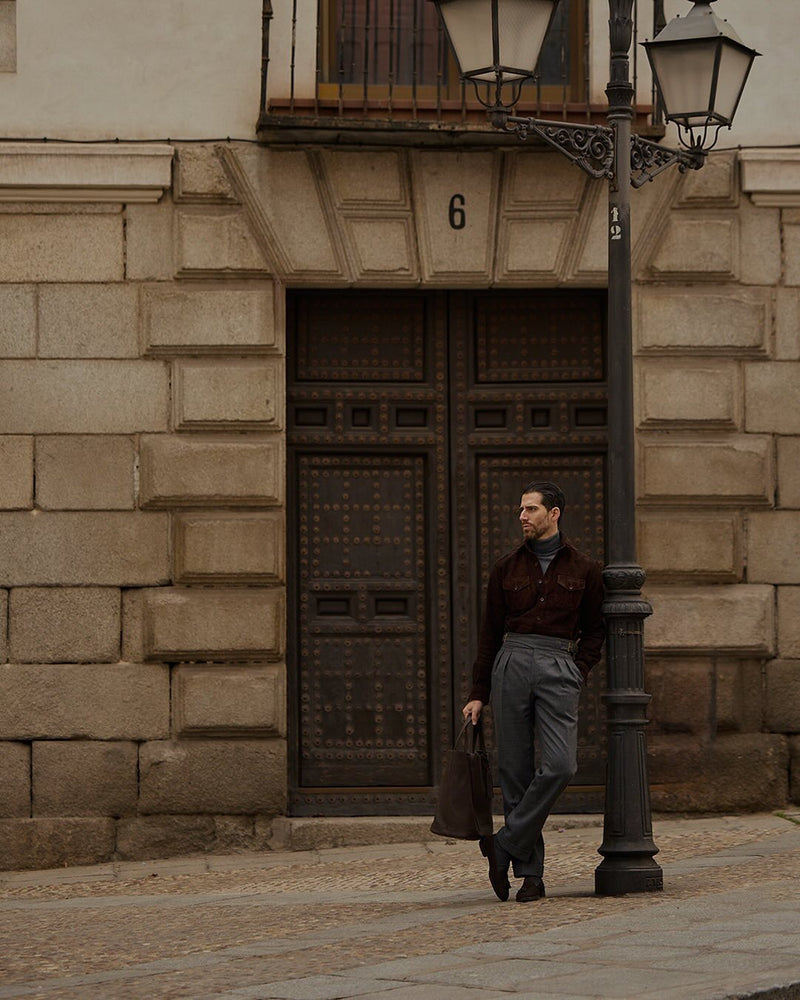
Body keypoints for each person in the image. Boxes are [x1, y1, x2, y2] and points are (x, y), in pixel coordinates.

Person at [463, 481, 605, 903]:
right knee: (515, 772)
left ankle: (503, 842)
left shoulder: (585, 569)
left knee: (561, 765)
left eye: (530, 509)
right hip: (511, 661)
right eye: (521, 510)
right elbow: (489, 634)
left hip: (559, 662)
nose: (522, 517)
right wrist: (478, 692)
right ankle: (531, 876)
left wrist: (578, 670)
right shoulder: (505, 568)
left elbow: (596, 631)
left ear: (554, 513)